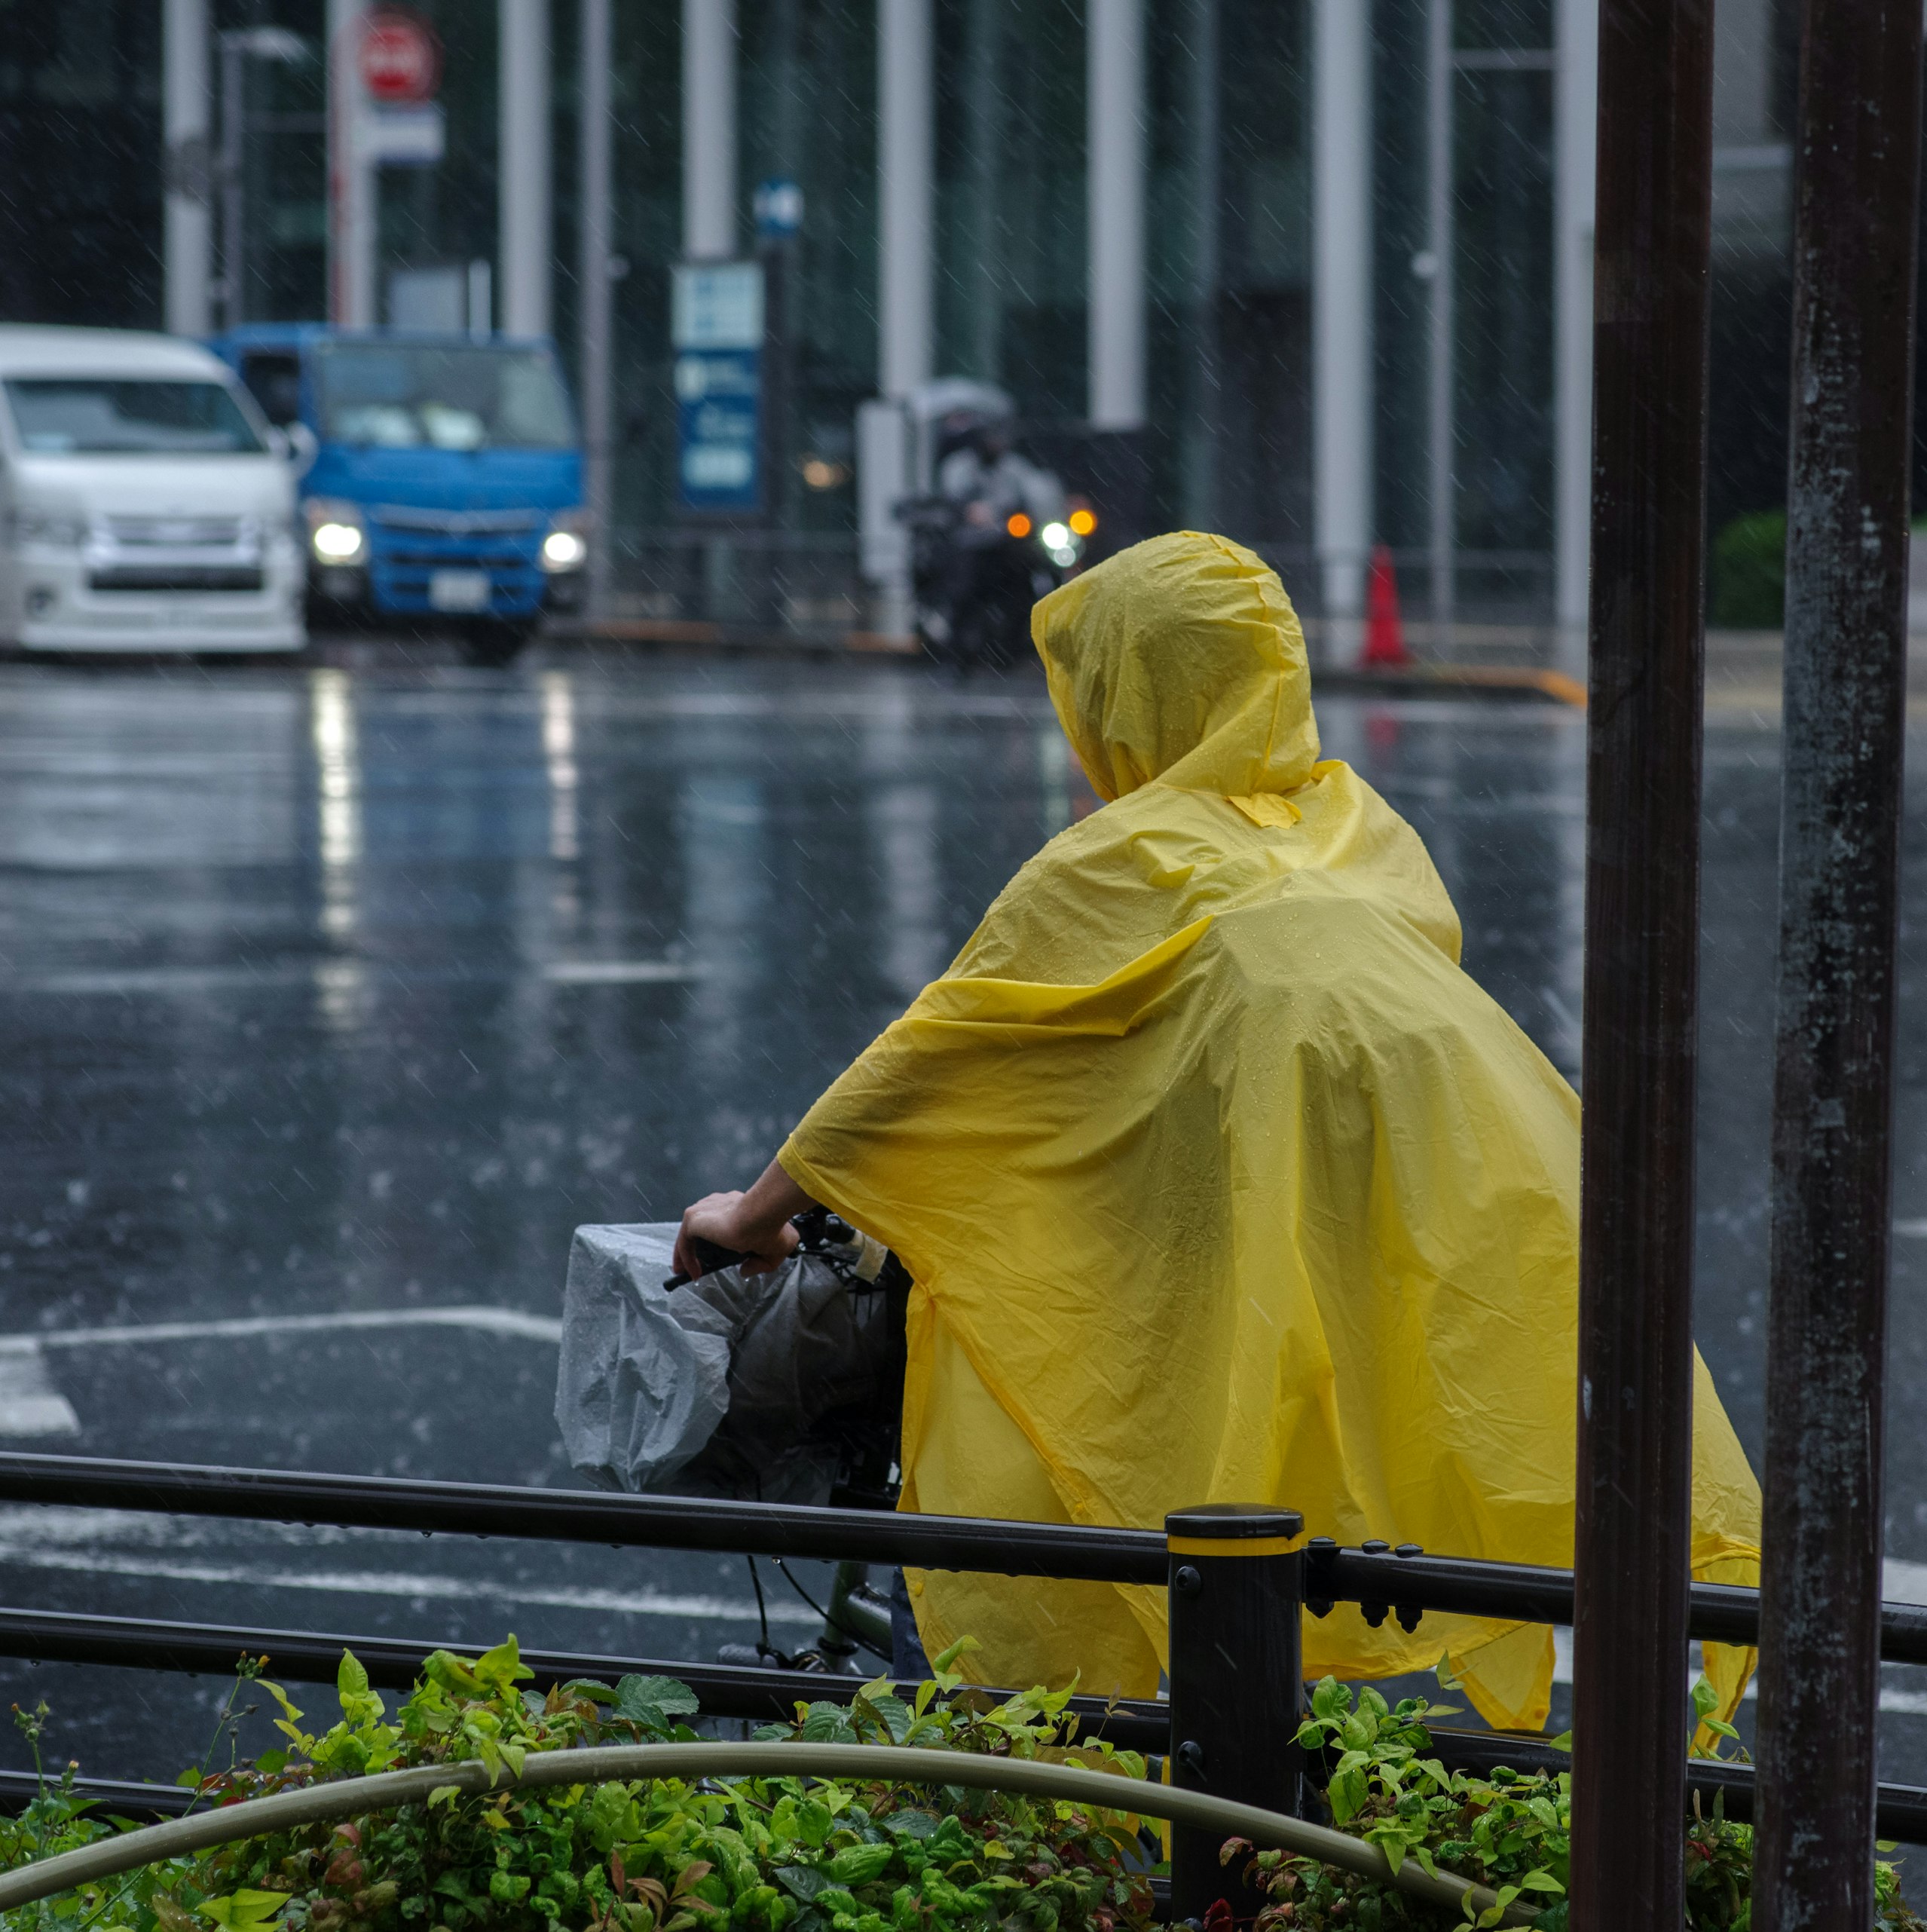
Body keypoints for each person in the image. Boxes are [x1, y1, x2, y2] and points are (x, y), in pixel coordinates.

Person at [676, 531, 1761, 1730]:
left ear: (1130, 701)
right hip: (1444, 1246)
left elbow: (928, 1065)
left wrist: (748, 1214)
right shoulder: (1357, 829)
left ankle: (1068, 1833)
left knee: (1057, 1560)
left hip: (1205, 1290)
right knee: (1289, 1572)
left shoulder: (1123, 861)